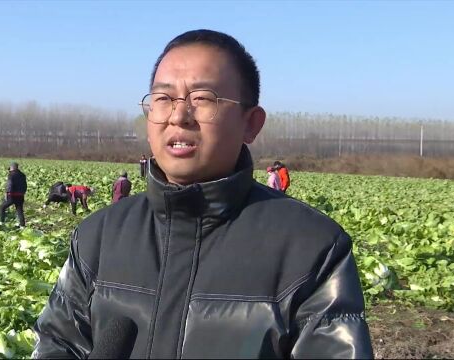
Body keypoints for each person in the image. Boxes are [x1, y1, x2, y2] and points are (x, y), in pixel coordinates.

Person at [33, 29, 372, 359]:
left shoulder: (311, 248)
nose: (179, 116)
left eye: (203, 99)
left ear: (251, 124)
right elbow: (57, 344)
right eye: (163, 99)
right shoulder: (98, 237)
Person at [0, 162, 27, 227]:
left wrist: (7, 193)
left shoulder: (11, 175)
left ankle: (1, 222)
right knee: (19, 210)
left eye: (10, 169)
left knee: (2, 207)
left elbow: (9, 184)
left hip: (12, 195)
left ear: (12, 168)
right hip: (20, 195)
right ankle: (22, 226)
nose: (9, 170)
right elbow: (25, 185)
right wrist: (23, 193)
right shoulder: (23, 175)